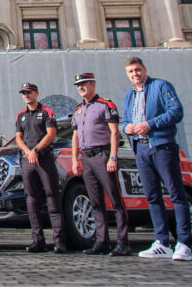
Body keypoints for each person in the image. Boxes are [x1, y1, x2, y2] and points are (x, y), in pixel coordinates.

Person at [121, 56, 192, 261]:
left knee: (176, 194)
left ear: (144, 69)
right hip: (141, 149)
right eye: (131, 72)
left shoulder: (161, 86)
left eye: (137, 70)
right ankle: (162, 241)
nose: (135, 74)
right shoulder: (129, 95)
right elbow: (125, 119)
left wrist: (150, 124)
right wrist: (125, 127)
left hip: (162, 146)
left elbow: (176, 112)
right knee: (152, 197)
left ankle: (184, 242)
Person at [70, 73, 130, 256]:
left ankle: (123, 243)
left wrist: (113, 157)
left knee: (115, 200)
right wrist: (75, 159)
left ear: (93, 84)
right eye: (78, 85)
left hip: (102, 155)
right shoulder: (78, 110)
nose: (81, 88)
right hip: (86, 158)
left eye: (84, 84)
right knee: (95, 202)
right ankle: (102, 241)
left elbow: (114, 132)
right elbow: (74, 136)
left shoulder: (105, 105)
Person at [15, 82, 66, 253]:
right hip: (28, 160)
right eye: (23, 93)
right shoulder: (21, 115)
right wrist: (28, 152)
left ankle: (59, 240)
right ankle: (38, 240)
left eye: (29, 92)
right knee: (31, 199)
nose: (26, 95)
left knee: (52, 197)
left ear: (36, 93)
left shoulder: (46, 112)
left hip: (44, 158)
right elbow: (18, 138)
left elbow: (51, 134)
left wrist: (36, 150)